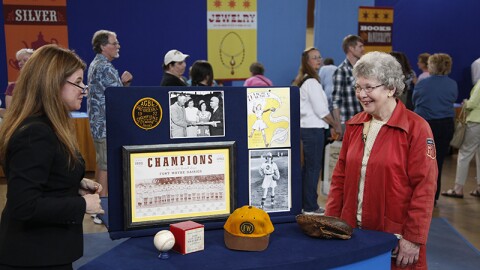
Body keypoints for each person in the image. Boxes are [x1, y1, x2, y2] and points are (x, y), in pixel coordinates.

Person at [325, 51, 437, 270]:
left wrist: (413, 238)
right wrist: (329, 223)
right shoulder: (355, 125)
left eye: (369, 87)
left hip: (394, 239)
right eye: (358, 87)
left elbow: (424, 188)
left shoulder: (417, 128)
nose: (361, 94)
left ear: (391, 88)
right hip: (351, 235)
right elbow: (339, 178)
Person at [0, 44, 104, 269]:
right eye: (77, 82)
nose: (83, 89)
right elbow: (24, 205)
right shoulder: (35, 133)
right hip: (33, 256)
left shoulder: (48, 126)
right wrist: (81, 204)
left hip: (48, 252)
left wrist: (74, 183)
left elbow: (45, 177)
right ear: (52, 84)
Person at [88, 30, 132, 224]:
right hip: (105, 126)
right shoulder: (104, 67)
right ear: (103, 46)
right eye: (114, 43)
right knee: (105, 167)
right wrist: (125, 82)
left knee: (102, 164)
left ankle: (96, 203)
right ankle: (101, 210)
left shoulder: (96, 64)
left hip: (99, 125)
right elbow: (118, 96)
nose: (118, 46)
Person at [293, 47, 341, 215]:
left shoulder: (305, 80)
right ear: (307, 61)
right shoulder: (311, 82)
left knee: (308, 169)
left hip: (307, 129)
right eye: (314, 58)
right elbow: (322, 111)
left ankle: (307, 204)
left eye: (320, 57)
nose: (319, 60)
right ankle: (310, 206)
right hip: (312, 130)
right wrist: (336, 125)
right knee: (313, 169)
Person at [413, 53, 457, 205]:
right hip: (446, 126)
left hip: (427, 126)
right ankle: (434, 196)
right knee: (438, 162)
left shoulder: (423, 83)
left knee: (421, 161)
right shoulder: (452, 84)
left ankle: (420, 194)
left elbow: (415, 100)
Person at [441, 80, 480, 198]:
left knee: (464, 154)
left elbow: (473, 103)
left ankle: (458, 189)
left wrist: (465, 103)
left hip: (475, 122)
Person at [332, 35, 365, 138]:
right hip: (348, 121)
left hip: (362, 120)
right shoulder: (341, 70)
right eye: (360, 46)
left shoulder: (362, 70)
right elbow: (336, 100)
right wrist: (337, 125)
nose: (363, 49)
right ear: (351, 48)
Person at [1, 48, 34, 118]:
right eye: (19, 61)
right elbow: (10, 113)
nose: (21, 63)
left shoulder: (44, 83)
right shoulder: (12, 87)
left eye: (25, 60)